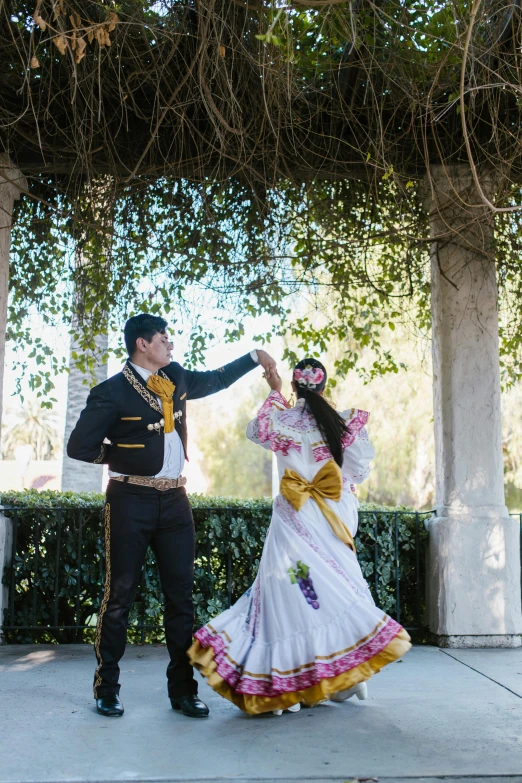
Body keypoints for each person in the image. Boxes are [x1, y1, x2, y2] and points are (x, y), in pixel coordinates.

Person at [67, 313, 277, 719]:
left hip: (176, 501)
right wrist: (125, 455)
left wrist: (253, 356)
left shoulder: (177, 378)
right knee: (118, 598)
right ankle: (106, 687)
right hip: (130, 499)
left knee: (181, 599)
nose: (170, 344)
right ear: (142, 344)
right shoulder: (110, 392)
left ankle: (183, 690)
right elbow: (80, 446)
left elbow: (216, 379)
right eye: (164, 339)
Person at [189, 358, 411, 715]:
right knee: (334, 589)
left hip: (292, 521)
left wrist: (275, 393)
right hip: (330, 519)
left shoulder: (279, 420)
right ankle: (346, 675)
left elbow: (253, 429)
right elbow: (358, 471)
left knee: (293, 591)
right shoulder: (342, 422)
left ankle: (288, 682)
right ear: (324, 387)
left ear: (295, 387)